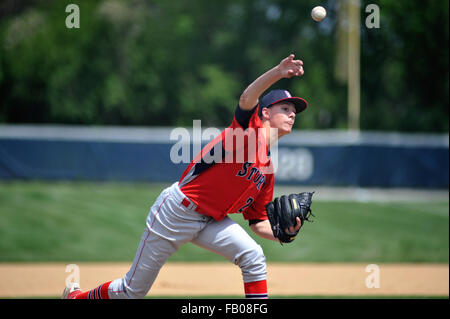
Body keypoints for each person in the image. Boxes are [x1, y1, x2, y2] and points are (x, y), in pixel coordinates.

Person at [62, 53, 308, 299]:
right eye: (285, 108)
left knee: (253, 257)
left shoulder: (267, 171)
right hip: (177, 212)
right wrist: (278, 72)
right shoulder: (245, 134)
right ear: (265, 113)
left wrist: (286, 233)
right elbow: (247, 98)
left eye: (294, 111)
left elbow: (257, 221)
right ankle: (75, 297)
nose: (292, 114)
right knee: (131, 292)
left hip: (212, 220)